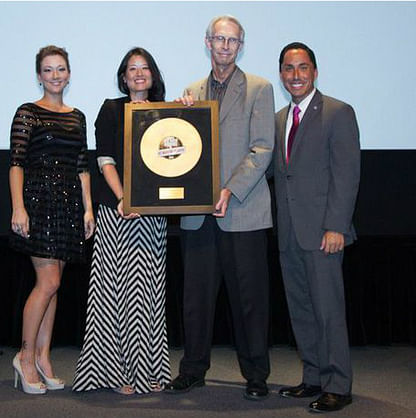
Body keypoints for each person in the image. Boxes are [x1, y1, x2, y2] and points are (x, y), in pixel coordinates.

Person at [164, 15, 275, 400]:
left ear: (240, 46)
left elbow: (262, 148)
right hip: (197, 216)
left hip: (243, 211)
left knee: (249, 300)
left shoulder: (260, 88)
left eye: (232, 41)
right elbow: (181, 151)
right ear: (207, 43)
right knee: (195, 300)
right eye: (219, 39)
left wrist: (230, 190)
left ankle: (256, 374)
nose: (225, 46)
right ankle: (193, 370)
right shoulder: (190, 91)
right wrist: (179, 115)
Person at [73, 47, 170, 395]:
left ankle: (149, 369)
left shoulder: (165, 113)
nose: (139, 74)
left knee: (147, 294)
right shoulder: (112, 109)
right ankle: (115, 374)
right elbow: (105, 159)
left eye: (145, 68)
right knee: (113, 294)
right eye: (132, 69)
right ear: (124, 77)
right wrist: (122, 197)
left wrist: (190, 111)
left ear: (153, 75)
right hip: (118, 210)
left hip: (152, 216)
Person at [271, 42, 360, 412]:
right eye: (289, 69)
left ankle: (338, 384)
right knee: (302, 310)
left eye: (302, 68)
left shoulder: (338, 112)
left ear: (315, 71)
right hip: (289, 233)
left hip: (324, 233)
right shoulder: (278, 119)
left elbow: (347, 174)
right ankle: (313, 377)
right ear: (281, 74)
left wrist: (336, 226)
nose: (295, 75)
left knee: (328, 311)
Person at [9, 45, 95, 394]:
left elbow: (81, 166)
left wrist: (88, 208)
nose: (55, 75)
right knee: (47, 283)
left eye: (61, 69)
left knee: (55, 283)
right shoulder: (28, 112)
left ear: (69, 74)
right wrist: (18, 207)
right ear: (39, 75)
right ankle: (25, 357)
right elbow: (16, 162)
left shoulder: (77, 116)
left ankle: (43, 357)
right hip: (37, 203)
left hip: (69, 206)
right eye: (48, 70)